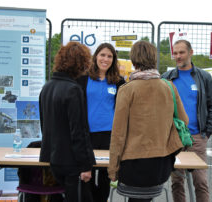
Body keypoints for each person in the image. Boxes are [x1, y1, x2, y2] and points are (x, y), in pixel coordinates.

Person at [108, 40, 188, 202]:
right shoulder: (169, 87)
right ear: (154, 58)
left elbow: (118, 134)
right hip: (161, 164)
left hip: (133, 165)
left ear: (133, 60)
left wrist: (113, 169)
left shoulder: (127, 90)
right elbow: (184, 120)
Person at [161, 39, 212, 202]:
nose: (178, 56)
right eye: (175, 53)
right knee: (177, 182)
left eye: (181, 52)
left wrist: (206, 132)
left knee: (201, 182)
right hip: (174, 138)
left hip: (197, 138)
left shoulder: (204, 77)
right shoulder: (166, 78)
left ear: (190, 53)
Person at [39, 42, 96, 202]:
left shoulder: (47, 87)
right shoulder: (73, 90)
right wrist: (85, 166)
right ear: (81, 63)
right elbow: (79, 131)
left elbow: (45, 126)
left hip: (54, 159)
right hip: (72, 163)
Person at [77, 43, 125, 202]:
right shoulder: (83, 79)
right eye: (102, 55)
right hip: (87, 134)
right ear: (96, 56)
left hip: (109, 135)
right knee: (86, 176)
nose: (105, 59)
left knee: (105, 177)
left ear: (113, 60)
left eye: (109, 56)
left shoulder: (118, 82)